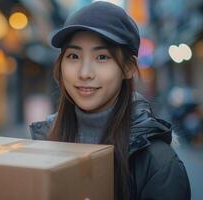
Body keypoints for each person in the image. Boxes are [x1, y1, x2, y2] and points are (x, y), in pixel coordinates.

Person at [29, 2, 191, 200]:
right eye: (73, 56)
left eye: (102, 57)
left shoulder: (158, 162)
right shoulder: (43, 142)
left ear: (128, 68)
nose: (84, 73)